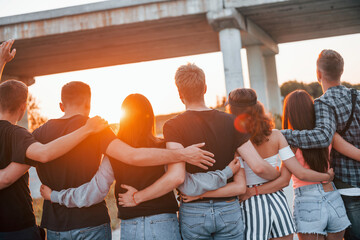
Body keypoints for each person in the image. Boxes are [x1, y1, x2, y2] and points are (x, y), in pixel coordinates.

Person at [40, 93, 240, 240]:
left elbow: (95, 191)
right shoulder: (163, 148)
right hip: (164, 223)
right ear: (150, 117)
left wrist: (55, 196)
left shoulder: (114, 154)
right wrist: (225, 173)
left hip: (131, 226)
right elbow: (186, 182)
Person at [117, 63, 281, 240]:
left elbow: (177, 177)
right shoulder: (231, 121)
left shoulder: (173, 126)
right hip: (228, 208)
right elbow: (258, 167)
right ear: (205, 88)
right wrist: (279, 175)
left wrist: (138, 197)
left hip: (193, 212)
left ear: (180, 95)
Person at [183, 88, 334, 240]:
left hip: (251, 207)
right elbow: (290, 177)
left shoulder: (233, 142)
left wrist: (200, 194)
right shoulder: (276, 135)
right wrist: (326, 176)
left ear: (231, 112)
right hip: (278, 204)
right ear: (258, 107)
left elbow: (241, 185)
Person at [0, 40, 109, 240]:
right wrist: (87, 129)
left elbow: (8, 176)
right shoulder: (19, 136)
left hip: (55, 225)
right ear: (24, 107)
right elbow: (44, 153)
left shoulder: (36, 133)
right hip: (23, 227)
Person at [281, 49, 360, 239]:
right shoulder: (357, 96)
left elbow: (323, 137)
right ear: (341, 71)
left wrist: (282, 134)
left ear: (318, 74)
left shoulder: (323, 103)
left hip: (345, 184)